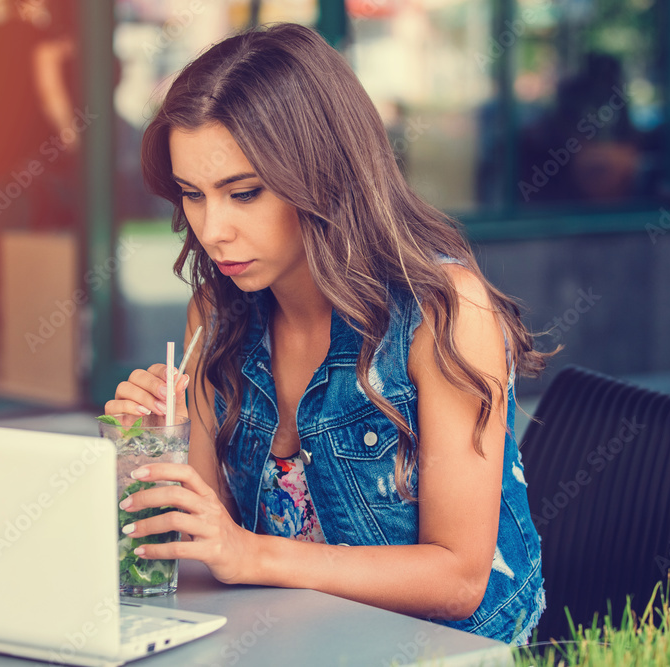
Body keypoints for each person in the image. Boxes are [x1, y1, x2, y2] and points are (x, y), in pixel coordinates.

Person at [105, 23, 548, 645]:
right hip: (296, 639)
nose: (212, 230)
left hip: (447, 652)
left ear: (323, 176)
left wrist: (253, 555)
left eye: (244, 193)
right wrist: (153, 443)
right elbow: (207, 537)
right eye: (193, 196)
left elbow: (458, 579)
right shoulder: (219, 312)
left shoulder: (444, 313)